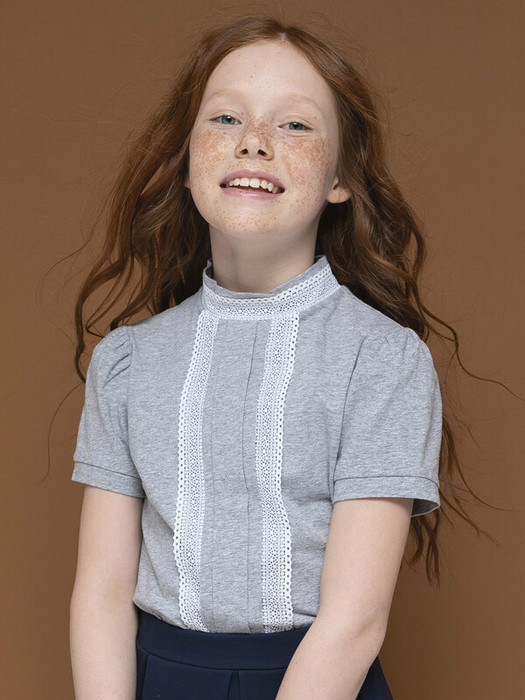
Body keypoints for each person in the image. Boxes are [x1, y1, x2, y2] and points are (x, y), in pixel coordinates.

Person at [69, 15, 450, 700]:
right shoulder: (127, 362)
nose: (253, 140)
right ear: (187, 161)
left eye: (295, 124)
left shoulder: (382, 360)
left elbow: (354, 623)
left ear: (341, 178)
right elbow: (100, 593)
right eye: (225, 118)